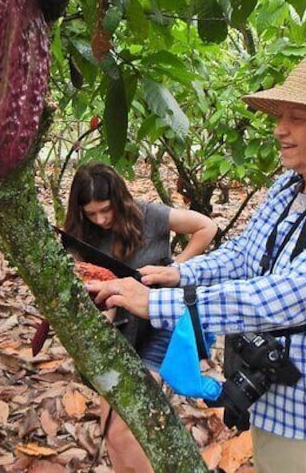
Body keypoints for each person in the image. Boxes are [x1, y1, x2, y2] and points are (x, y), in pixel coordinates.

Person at [88, 54, 306, 473]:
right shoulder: (289, 187)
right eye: (281, 116)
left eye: (296, 117)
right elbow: (245, 254)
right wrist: (180, 272)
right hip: (279, 405)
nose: (280, 129)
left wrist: (161, 304)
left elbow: (292, 295)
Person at [64, 162, 217, 472]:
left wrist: (174, 270)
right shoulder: (84, 235)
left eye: (106, 210)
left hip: (158, 328)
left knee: (124, 428)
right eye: (91, 213)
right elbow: (89, 287)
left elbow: (207, 227)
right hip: (121, 330)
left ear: (119, 200)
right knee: (112, 432)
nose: (101, 219)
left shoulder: (149, 215)